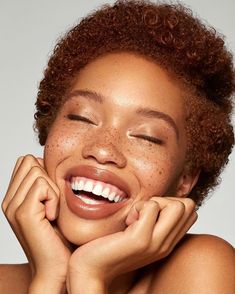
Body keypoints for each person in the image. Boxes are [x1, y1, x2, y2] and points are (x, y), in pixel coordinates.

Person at [1, 0, 234, 293]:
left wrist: (88, 274)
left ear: (186, 179)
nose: (103, 150)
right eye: (81, 117)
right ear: (50, 126)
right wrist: (50, 277)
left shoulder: (202, 267)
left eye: (146, 137)